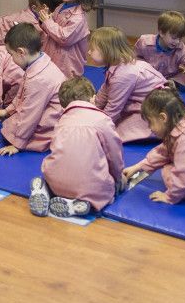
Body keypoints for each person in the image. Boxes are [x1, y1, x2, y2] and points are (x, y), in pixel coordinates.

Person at [29, 76, 125, 218]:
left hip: (56, 181)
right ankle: (83, 203)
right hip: (90, 187)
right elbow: (114, 153)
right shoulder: (102, 119)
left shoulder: (62, 121)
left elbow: (56, 149)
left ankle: (46, 190)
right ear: (93, 98)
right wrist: (118, 176)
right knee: (109, 189)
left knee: (54, 170)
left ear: (64, 105)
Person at [0, 23, 65, 155]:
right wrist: (8, 111)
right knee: (10, 123)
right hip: (43, 109)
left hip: (52, 121)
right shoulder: (37, 62)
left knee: (14, 129)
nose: (11, 59)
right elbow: (21, 94)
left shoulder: (39, 79)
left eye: (11, 54)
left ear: (21, 52)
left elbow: (31, 115)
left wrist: (18, 144)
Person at [88, 26, 165, 142]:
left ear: (106, 51)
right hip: (150, 102)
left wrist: (96, 127)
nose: (89, 52)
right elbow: (106, 88)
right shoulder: (120, 64)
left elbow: (113, 108)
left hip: (158, 110)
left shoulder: (123, 74)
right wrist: (94, 107)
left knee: (118, 131)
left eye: (92, 49)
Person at [36, 0, 95, 77]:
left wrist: (48, 22)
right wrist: (45, 17)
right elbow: (50, 28)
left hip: (67, 66)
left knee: (64, 91)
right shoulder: (61, 6)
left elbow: (64, 38)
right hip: (53, 57)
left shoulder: (78, 18)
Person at [135, 10, 185, 92]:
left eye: (180, 38)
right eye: (174, 38)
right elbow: (136, 60)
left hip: (171, 78)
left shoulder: (181, 48)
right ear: (161, 32)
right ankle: (160, 86)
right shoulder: (144, 42)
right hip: (150, 77)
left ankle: (166, 85)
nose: (177, 42)